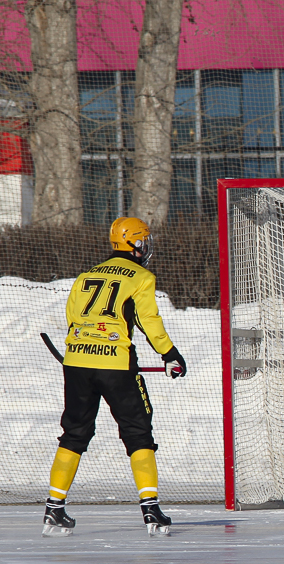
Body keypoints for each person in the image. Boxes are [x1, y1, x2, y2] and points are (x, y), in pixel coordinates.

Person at [42, 216, 187, 537]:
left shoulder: (86, 276)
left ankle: (54, 509)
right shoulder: (141, 277)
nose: (147, 246)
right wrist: (170, 354)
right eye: (144, 240)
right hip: (116, 364)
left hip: (76, 361)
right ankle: (151, 510)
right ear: (135, 243)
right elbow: (149, 321)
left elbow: (72, 318)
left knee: (74, 433)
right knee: (138, 431)